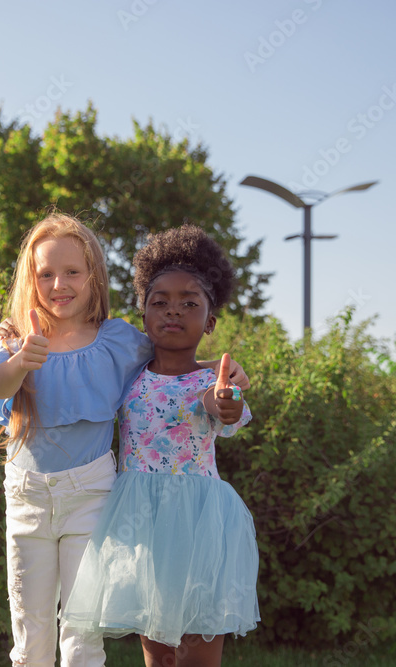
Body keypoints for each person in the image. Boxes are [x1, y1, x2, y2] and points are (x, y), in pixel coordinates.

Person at [0, 213, 248, 667]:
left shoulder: (118, 341)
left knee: (82, 631)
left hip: (91, 493)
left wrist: (226, 375)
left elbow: (173, 353)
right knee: (29, 628)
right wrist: (21, 358)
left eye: (72, 271)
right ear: (30, 278)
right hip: (27, 495)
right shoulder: (21, 339)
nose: (59, 284)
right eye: (46, 273)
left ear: (94, 277)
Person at [61, 225, 260, 667]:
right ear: (143, 315)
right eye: (160, 302)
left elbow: (221, 405)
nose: (173, 311)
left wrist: (227, 399)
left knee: (198, 652)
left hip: (197, 526)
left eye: (189, 303)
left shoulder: (210, 381)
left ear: (210, 322)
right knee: (159, 655)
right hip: (140, 527)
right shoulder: (129, 373)